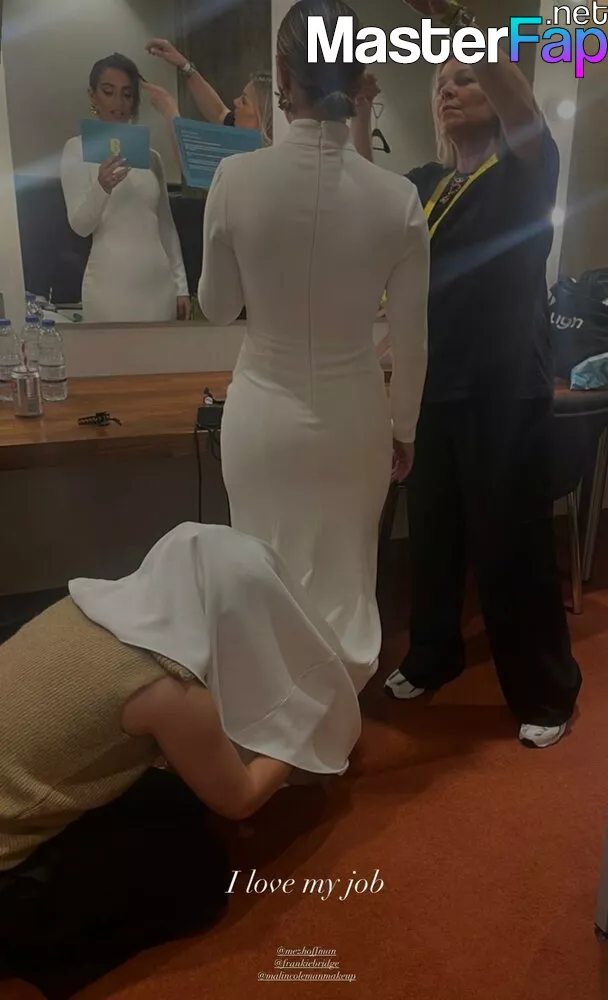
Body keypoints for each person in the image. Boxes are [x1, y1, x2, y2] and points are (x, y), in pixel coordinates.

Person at [0, 522, 361, 997]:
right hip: (8, 876)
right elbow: (240, 800)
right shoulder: (166, 689)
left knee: (172, 796)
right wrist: (301, 725)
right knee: (199, 879)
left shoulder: (86, 604)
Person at [198, 0, 429, 694]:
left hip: (262, 417)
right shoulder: (398, 198)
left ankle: (272, 719)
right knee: (347, 580)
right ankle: (333, 714)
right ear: (360, 80)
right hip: (355, 422)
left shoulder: (235, 178)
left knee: (261, 575)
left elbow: (217, 307)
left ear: (280, 75)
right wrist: (405, 427)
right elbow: (412, 337)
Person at [381, 0, 582, 748]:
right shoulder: (424, 184)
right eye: (442, 82)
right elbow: (378, 229)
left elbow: (525, 106)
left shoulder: (524, 172)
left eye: (465, 80)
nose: (450, 89)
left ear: (494, 101)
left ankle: (547, 692)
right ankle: (433, 655)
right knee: (433, 540)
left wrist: (460, 24)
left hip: (504, 390)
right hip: (434, 388)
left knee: (512, 547)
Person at [60, 53, 190, 323]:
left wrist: (181, 286)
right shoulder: (77, 149)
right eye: (108, 92)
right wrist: (102, 187)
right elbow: (80, 226)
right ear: (93, 95)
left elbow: (165, 225)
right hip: (109, 289)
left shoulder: (150, 157)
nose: (118, 103)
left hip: (160, 289)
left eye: (127, 94)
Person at [145, 38, 274, 143]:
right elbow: (219, 112)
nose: (235, 101)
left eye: (244, 101)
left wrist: (171, 114)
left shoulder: (260, 161)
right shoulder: (238, 128)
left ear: (263, 117)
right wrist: (184, 66)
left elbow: (188, 161)